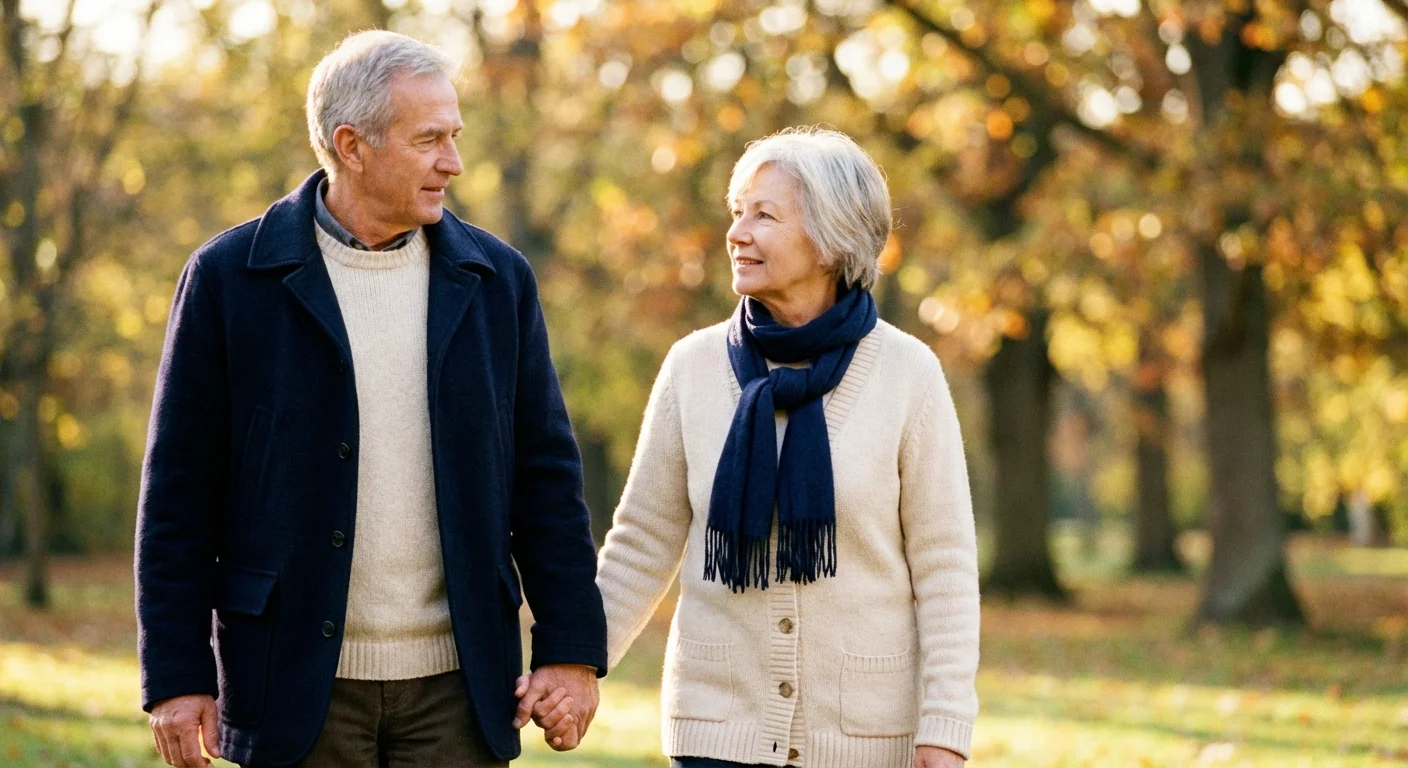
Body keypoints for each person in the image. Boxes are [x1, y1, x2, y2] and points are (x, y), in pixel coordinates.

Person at [136, 31, 605, 768]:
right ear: (352, 146)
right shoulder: (230, 280)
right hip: (290, 688)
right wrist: (176, 674)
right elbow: (177, 499)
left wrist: (571, 650)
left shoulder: (497, 281)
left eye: (454, 136)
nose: (453, 161)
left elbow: (547, 480)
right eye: (429, 140)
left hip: (461, 690)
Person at [585, 127, 980, 768]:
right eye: (737, 213)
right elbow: (641, 543)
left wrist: (944, 726)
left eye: (764, 215)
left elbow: (945, 568)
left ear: (833, 236)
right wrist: (575, 664)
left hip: (863, 739)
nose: (737, 233)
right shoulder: (693, 366)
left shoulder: (909, 374)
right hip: (718, 732)